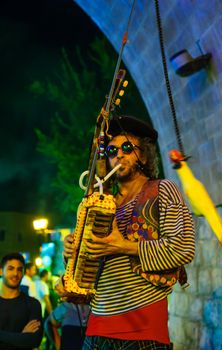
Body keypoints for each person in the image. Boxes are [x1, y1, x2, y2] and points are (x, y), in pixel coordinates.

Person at [62, 115, 195, 350]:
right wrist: (72, 251)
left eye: (126, 147)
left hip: (142, 331)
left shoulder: (163, 190)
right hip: (95, 330)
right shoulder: (102, 202)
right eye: (111, 151)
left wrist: (122, 245)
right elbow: (86, 268)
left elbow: (183, 247)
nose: (118, 155)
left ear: (143, 154)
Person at [0, 252, 43, 350]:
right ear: (1, 271)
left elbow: (34, 341)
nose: (15, 273)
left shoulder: (33, 304)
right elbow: (26, 340)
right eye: (10, 269)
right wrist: (21, 337)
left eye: (19, 270)